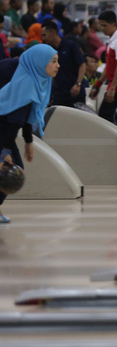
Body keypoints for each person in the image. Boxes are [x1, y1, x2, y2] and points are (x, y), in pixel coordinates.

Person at [0, 44, 59, 223]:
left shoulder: (34, 81)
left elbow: (29, 117)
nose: (58, 66)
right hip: (2, 135)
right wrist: (2, 155)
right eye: (54, 62)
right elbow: (6, 124)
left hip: (6, 136)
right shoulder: (25, 87)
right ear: (39, 63)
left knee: (16, 169)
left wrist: (28, 141)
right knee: (9, 171)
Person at [90, 11, 117, 120]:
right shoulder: (111, 41)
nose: (102, 28)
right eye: (101, 25)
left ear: (113, 24)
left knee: (106, 115)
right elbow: (109, 67)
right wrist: (98, 84)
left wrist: (112, 88)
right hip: (114, 84)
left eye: (105, 25)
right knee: (107, 115)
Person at [40, 21, 86, 108]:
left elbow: (82, 64)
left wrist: (78, 84)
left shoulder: (71, 46)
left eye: (44, 35)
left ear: (53, 33)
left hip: (75, 93)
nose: (43, 38)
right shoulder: (48, 51)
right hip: (59, 95)